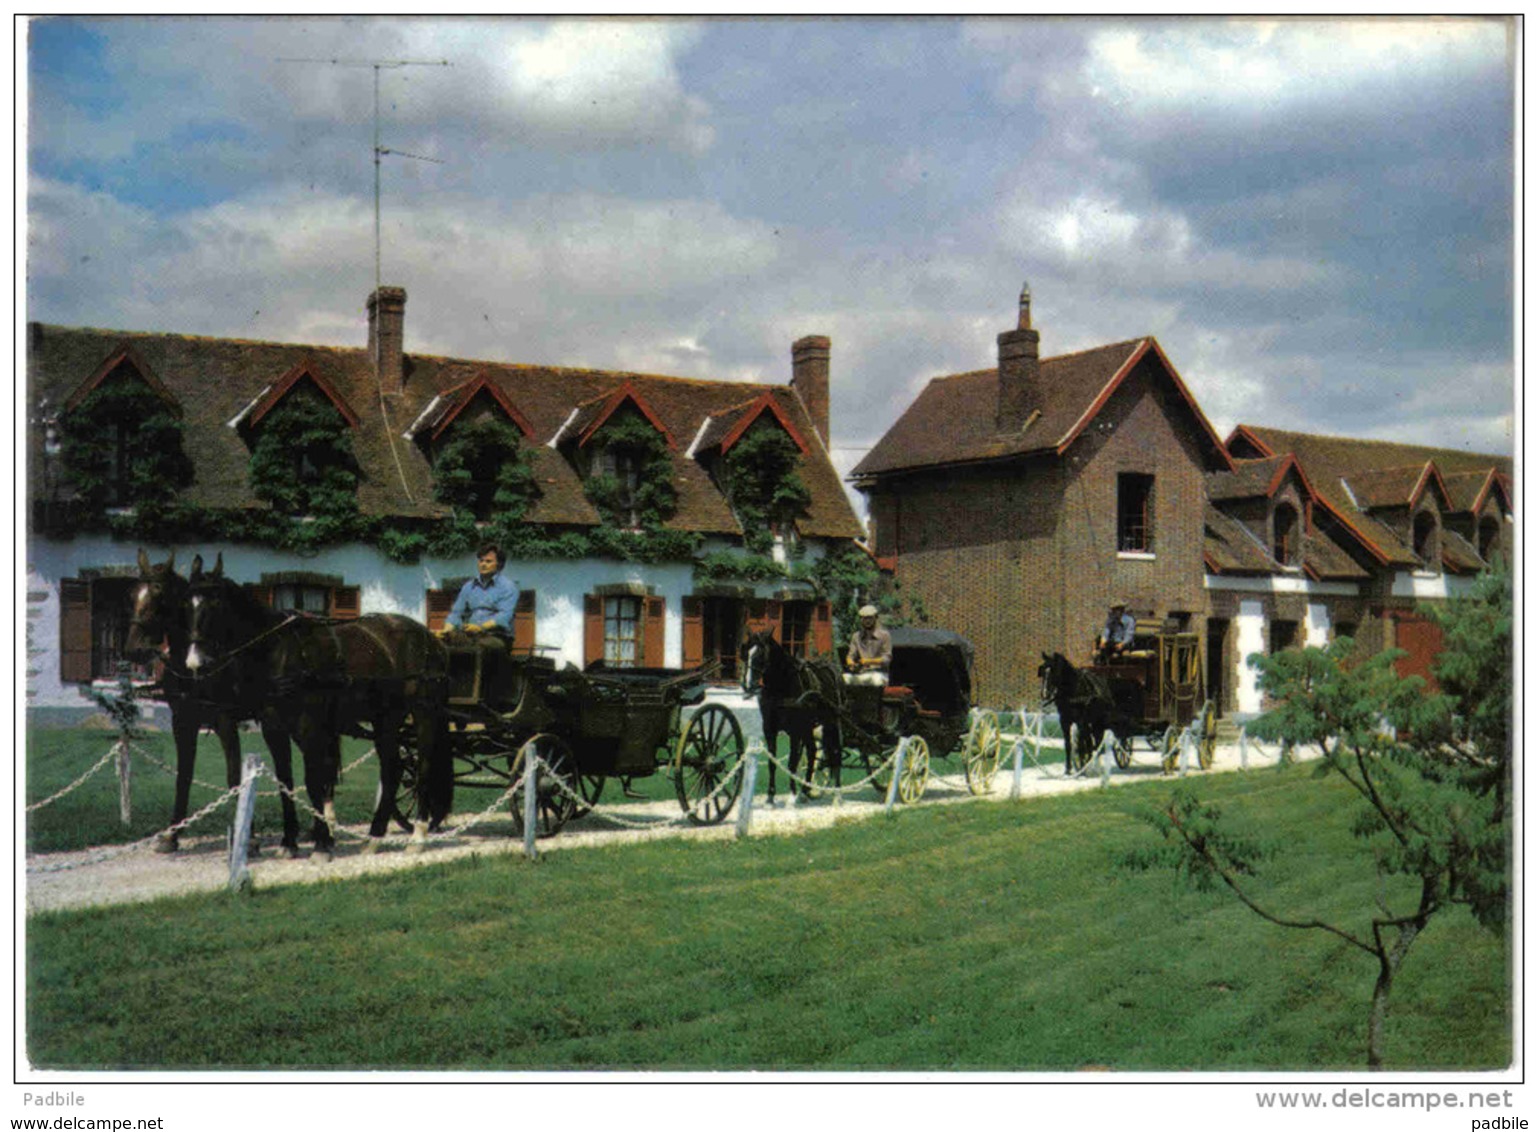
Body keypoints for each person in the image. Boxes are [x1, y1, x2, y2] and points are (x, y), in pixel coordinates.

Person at [438, 544, 520, 701]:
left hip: (498, 637)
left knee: (477, 647)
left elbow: (504, 616)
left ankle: (481, 695)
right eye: (481, 560)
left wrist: (480, 627)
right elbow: (456, 613)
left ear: (499, 564)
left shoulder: (508, 587)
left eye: (488, 561)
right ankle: (451, 692)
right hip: (471, 634)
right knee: (442, 645)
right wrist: (446, 630)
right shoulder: (469, 587)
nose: (483, 564)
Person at [844, 604, 892, 686]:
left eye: (870, 618)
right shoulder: (856, 636)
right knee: (844, 679)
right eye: (864, 618)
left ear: (875, 618)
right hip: (861, 673)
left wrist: (868, 661)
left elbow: (887, 658)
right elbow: (850, 655)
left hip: (879, 673)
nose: (867, 621)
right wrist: (850, 663)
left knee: (875, 681)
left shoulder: (884, 635)